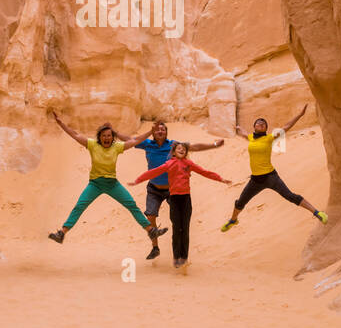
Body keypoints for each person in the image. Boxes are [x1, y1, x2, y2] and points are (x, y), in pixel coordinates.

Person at [47, 111, 169, 247]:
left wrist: (149, 132)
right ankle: (62, 233)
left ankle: (151, 231)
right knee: (79, 206)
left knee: (131, 205)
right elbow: (75, 135)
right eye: (104, 136)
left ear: (112, 137)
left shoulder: (116, 147)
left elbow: (135, 140)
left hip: (112, 184)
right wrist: (61, 123)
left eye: (109, 136)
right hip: (95, 184)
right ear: (100, 137)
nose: (106, 138)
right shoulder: (93, 145)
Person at [116, 120, 224, 260]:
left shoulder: (173, 145)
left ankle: (179, 252)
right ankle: (155, 247)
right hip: (154, 189)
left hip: (172, 190)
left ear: (166, 132)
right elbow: (131, 140)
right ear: (153, 132)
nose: (160, 131)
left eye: (163, 129)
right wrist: (115, 133)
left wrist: (214, 145)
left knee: (177, 221)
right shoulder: (147, 144)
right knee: (150, 216)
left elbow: (194, 147)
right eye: (157, 129)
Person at [222, 104, 328, 232]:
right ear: (254, 127)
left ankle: (317, 213)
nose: (261, 124)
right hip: (255, 180)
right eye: (258, 122)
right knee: (240, 202)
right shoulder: (251, 138)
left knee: (290, 196)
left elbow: (286, 126)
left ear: (266, 128)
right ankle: (233, 220)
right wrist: (239, 127)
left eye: (264, 123)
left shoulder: (269, 138)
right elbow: (245, 134)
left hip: (271, 177)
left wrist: (299, 115)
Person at [131, 142, 231, 269]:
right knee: (177, 228)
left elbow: (204, 172)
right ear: (173, 152)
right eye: (179, 148)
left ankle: (184, 257)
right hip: (174, 199)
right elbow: (152, 173)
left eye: (184, 149)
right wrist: (137, 180)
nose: (181, 150)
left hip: (185, 199)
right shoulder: (169, 164)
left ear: (186, 152)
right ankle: (176, 257)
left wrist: (220, 179)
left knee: (185, 228)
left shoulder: (188, 164)